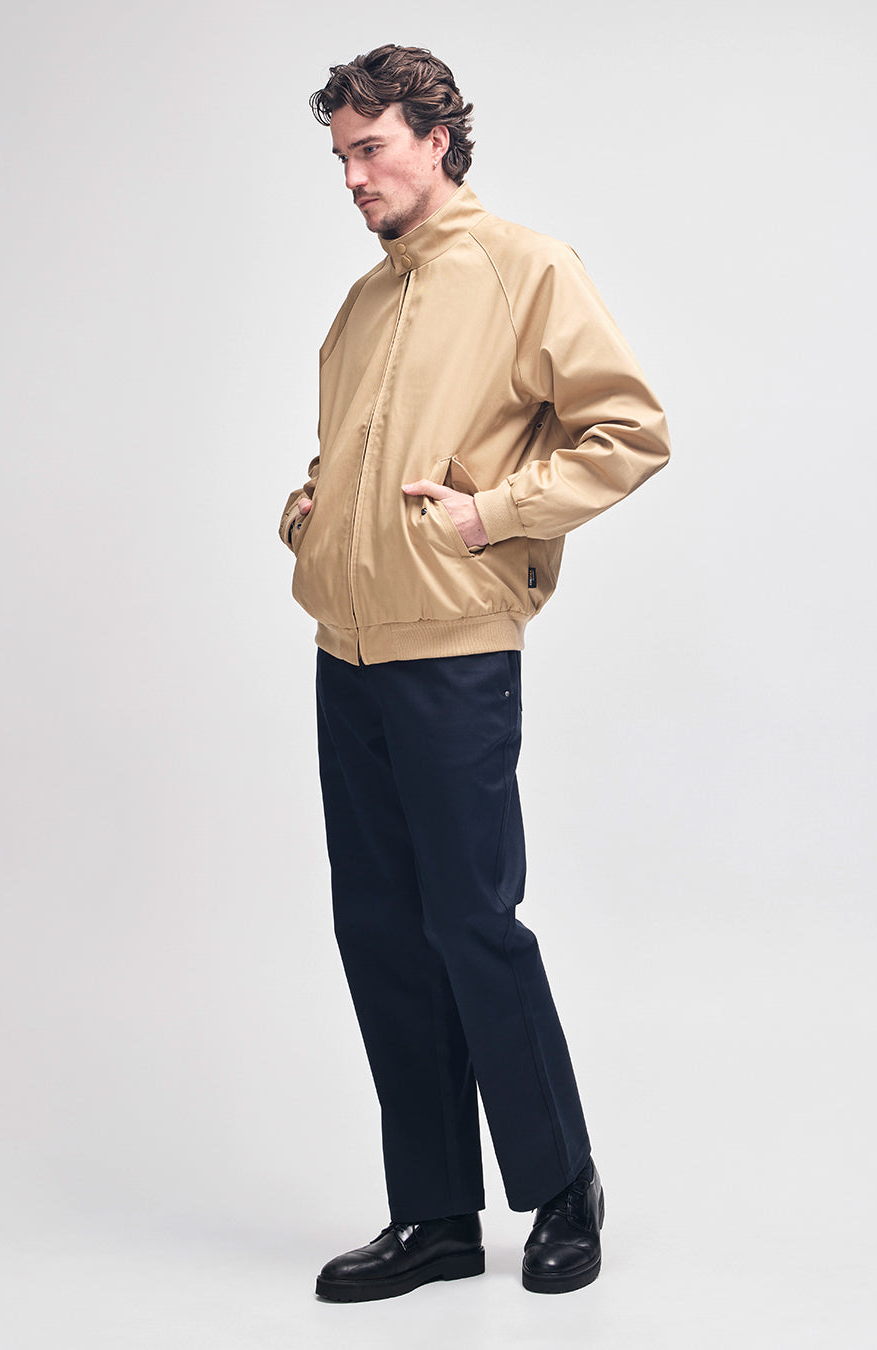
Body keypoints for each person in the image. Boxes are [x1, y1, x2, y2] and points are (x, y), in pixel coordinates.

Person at [279, 44, 670, 1302]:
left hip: (453, 652)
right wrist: (309, 512)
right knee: (380, 931)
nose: (353, 176)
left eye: (371, 148)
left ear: (436, 138)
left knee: (471, 924)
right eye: (340, 156)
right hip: (347, 653)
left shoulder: (524, 267)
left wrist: (492, 516)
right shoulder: (363, 304)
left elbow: (629, 430)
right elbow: (342, 454)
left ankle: (562, 1186)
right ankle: (436, 1216)